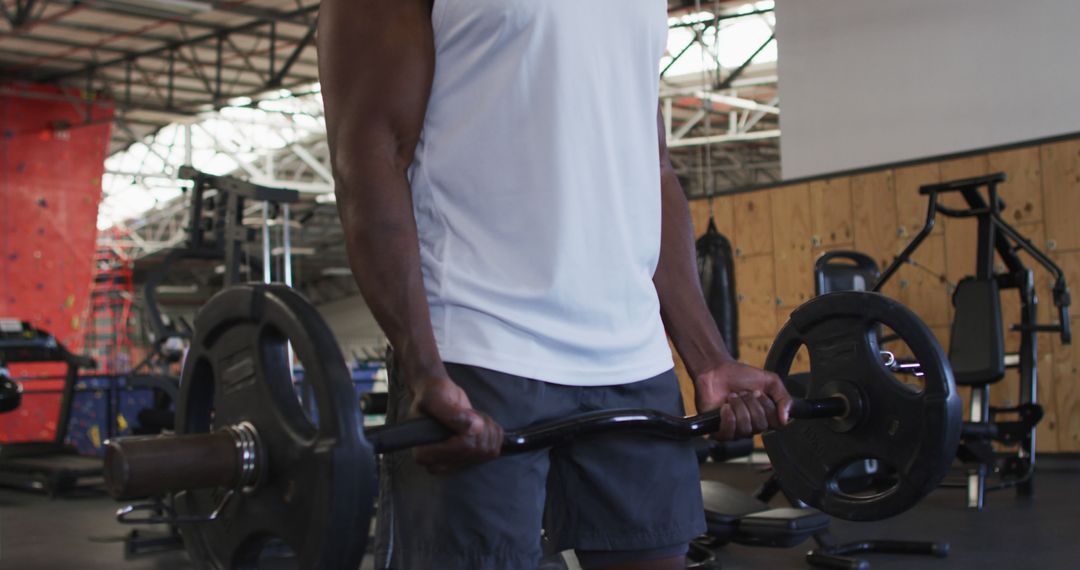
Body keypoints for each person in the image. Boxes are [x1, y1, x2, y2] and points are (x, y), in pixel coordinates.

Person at [317, 1, 792, 569]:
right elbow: (369, 157)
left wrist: (709, 360)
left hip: (633, 360)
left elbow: (652, 167)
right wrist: (422, 367)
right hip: (479, 349)